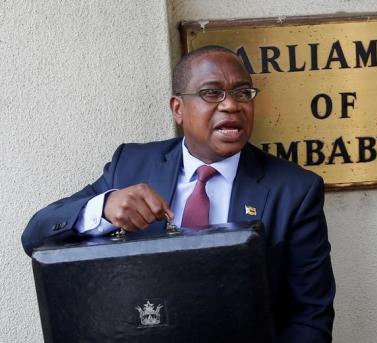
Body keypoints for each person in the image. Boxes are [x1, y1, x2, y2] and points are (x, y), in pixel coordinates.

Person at [22, 45, 335, 342]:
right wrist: (103, 208)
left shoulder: (294, 190)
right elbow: (35, 236)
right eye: (212, 93)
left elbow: (311, 315)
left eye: (243, 92)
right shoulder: (131, 166)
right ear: (178, 108)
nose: (231, 105)